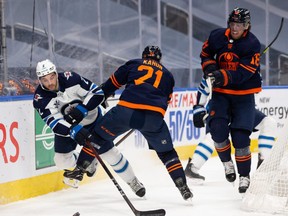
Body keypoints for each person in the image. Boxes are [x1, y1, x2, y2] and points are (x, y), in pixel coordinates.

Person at [88, 45, 193, 201]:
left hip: (126, 111)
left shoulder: (134, 63)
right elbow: (166, 101)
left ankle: (82, 166)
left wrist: (102, 97)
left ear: (144, 56)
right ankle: (182, 186)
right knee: (167, 153)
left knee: (96, 136)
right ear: (159, 59)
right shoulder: (168, 75)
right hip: (153, 118)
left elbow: (111, 84)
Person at [33, 59, 146, 197]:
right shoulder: (40, 99)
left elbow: (97, 93)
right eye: (44, 80)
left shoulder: (71, 79)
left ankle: (133, 181)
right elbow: (53, 122)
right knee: (61, 161)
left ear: (56, 73)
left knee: (110, 154)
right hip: (69, 128)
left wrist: (83, 108)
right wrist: (72, 130)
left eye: (52, 77)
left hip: (93, 120)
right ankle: (90, 159)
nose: (50, 83)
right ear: (39, 80)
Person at [198, 7, 262, 193]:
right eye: (233, 24)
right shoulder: (217, 36)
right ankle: (227, 163)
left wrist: (222, 75)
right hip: (221, 94)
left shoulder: (252, 44)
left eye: (239, 25)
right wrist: (210, 70)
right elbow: (205, 54)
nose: (235, 28)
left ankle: (244, 176)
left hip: (243, 96)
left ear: (247, 26)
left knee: (241, 137)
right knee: (217, 129)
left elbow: (243, 73)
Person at [185, 78, 277, 183]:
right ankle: (192, 168)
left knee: (269, 123)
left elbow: (257, 81)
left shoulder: (246, 64)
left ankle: (263, 167)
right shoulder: (217, 66)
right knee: (214, 136)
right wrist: (199, 108)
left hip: (241, 108)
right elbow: (205, 84)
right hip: (220, 108)